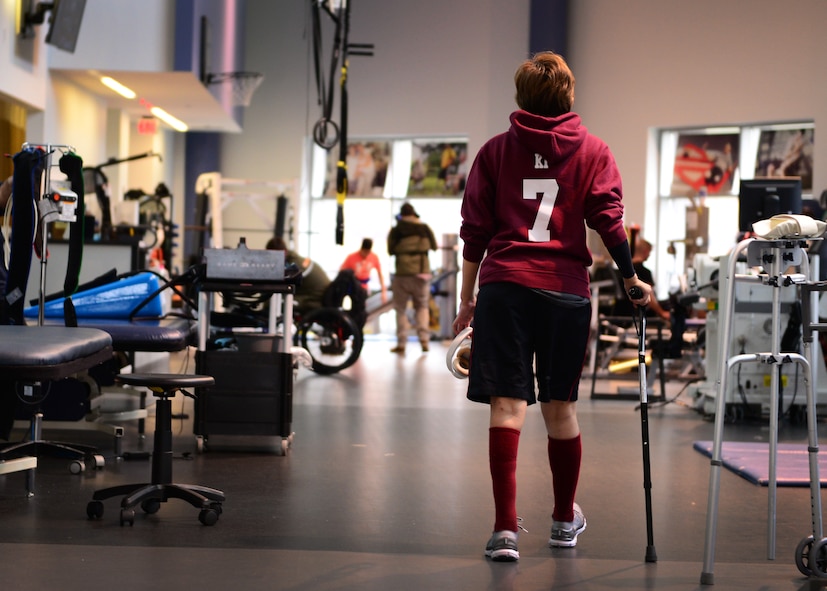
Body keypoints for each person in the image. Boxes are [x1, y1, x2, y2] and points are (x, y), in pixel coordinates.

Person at [451, 51, 651, 562]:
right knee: (560, 408)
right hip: (566, 292)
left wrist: (467, 300)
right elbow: (608, 219)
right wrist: (630, 277)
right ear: (570, 95)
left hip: (505, 288)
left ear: (521, 97)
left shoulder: (495, 151)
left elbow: (475, 231)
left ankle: (504, 531)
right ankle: (564, 521)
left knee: (507, 407)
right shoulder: (594, 150)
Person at [387, 202, 437, 353]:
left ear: (401, 215)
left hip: (402, 274)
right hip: (421, 274)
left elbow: (390, 250)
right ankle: (424, 340)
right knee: (422, 306)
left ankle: (401, 343)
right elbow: (434, 246)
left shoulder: (396, 230)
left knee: (400, 309)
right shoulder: (424, 228)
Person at [266, 236, 330, 313]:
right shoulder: (292, 259)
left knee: (273, 302)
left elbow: (282, 283)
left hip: (315, 299)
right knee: (275, 299)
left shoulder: (295, 265)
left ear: (284, 252)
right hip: (314, 294)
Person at [633, 237, 670, 321]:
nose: (649, 255)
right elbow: (650, 297)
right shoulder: (644, 272)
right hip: (643, 315)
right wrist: (662, 313)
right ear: (646, 251)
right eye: (649, 252)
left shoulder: (625, 270)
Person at [340, 237, 387, 303]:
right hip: (353, 286)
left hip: (365, 288)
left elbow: (380, 274)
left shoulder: (374, 257)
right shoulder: (351, 257)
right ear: (361, 249)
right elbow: (341, 271)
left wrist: (383, 291)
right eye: (365, 252)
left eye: (368, 252)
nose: (366, 255)